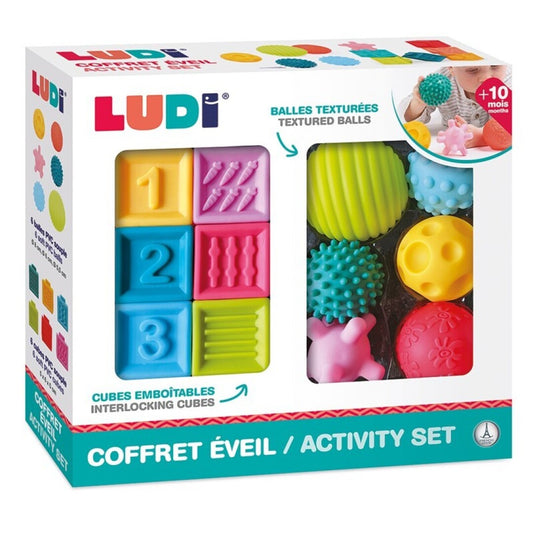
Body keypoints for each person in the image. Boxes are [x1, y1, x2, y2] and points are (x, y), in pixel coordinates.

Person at [401, 65, 511, 147]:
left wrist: (481, 137)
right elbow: (404, 118)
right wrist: (418, 103)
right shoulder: (442, 81)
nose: (486, 77)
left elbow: (512, 126)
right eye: (473, 70)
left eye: (495, 66)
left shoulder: (507, 83)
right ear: (451, 67)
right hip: (450, 142)